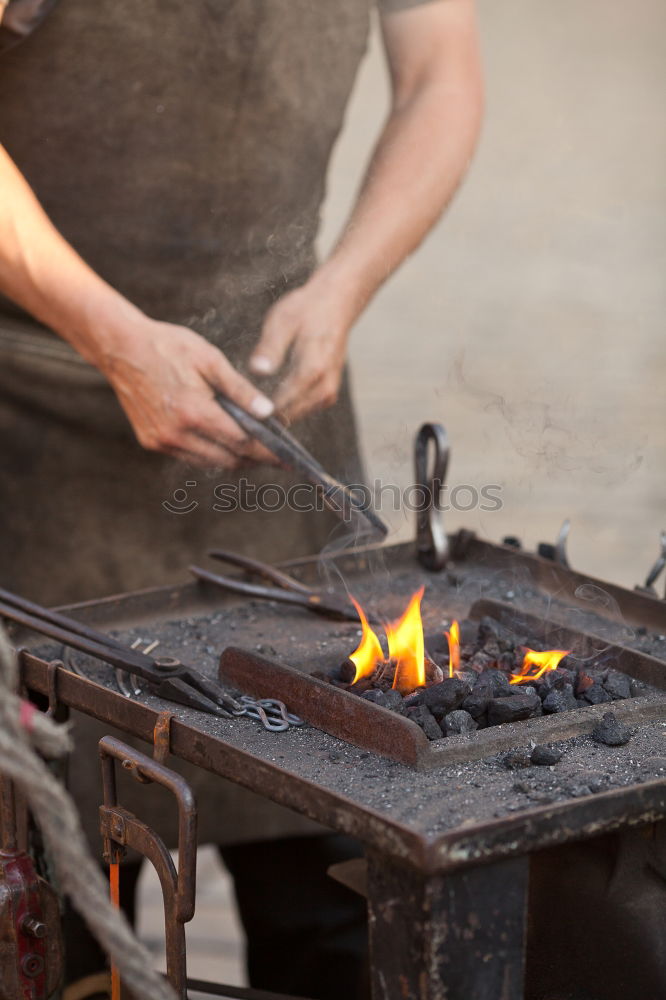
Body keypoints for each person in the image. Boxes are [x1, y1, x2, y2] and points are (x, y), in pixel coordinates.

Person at [0, 1, 484, 996]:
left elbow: (442, 73)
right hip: (32, 440)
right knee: (56, 924)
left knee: (334, 916)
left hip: (275, 457)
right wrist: (112, 337)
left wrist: (344, 284)